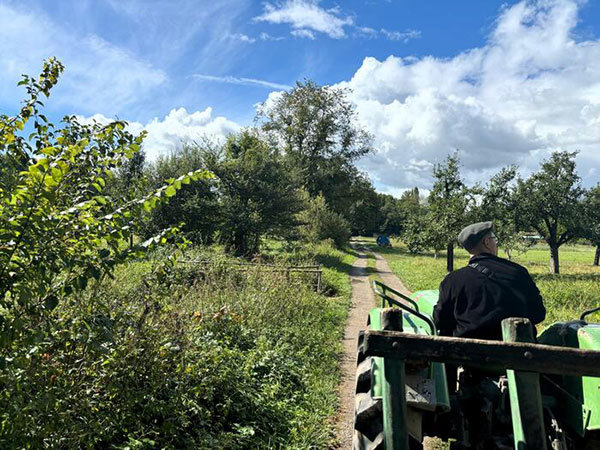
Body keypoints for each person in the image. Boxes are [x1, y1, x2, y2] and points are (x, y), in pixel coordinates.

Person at [433, 221, 546, 341]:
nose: (496, 244)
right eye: (494, 239)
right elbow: (538, 314)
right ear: (487, 242)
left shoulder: (453, 280)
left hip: (467, 355)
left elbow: (440, 321)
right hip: (516, 356)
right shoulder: (518, 272)